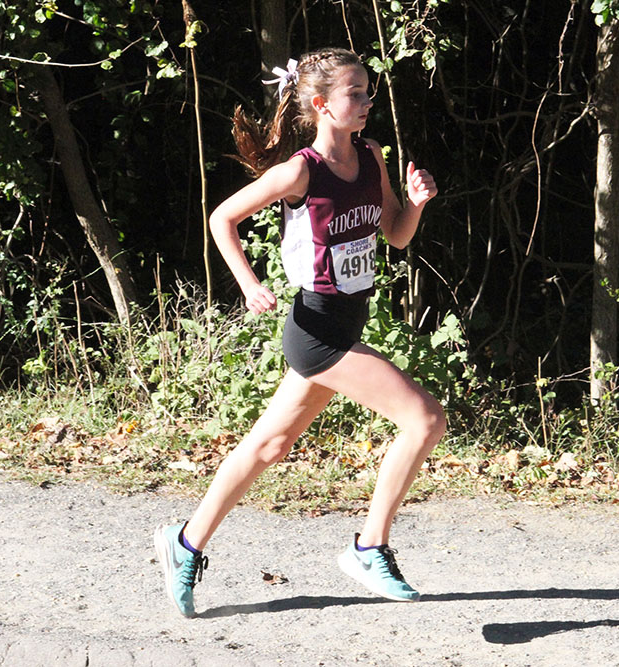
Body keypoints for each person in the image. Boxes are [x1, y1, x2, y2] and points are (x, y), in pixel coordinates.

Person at [153, 46, 445, 618]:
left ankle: (184, 542)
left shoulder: (371, 156)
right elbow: (222, 218)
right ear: (321, 105)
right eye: (354, 93)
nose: (366, 101)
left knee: (269, 445)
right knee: (424, 419)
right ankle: (369, 548)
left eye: (367, 90)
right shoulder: (299, 172)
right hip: (316, 330)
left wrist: (415, 204)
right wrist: (248, 284)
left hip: (346, 320)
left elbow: (395, 234)